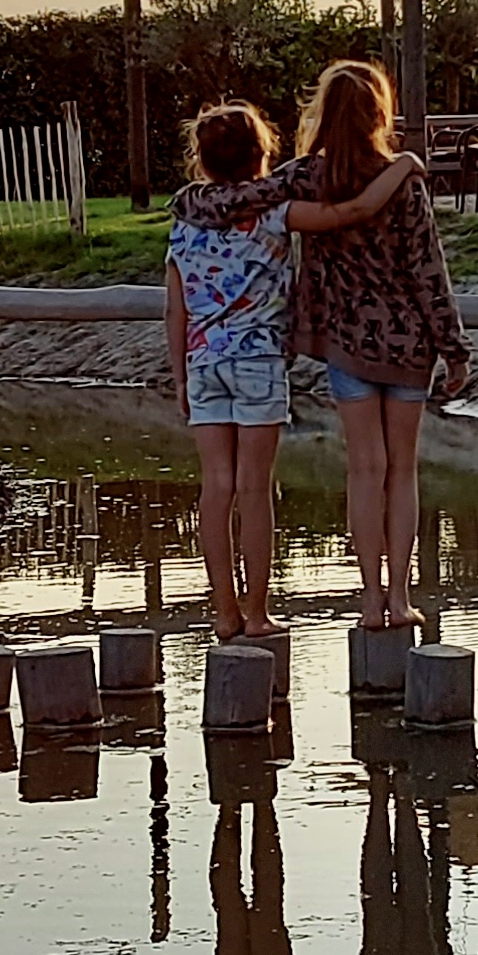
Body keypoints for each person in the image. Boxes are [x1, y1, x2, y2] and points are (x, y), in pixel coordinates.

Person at [168, 103, 419, 639]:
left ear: (202, 161)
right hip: (257, 360)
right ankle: (258, 613)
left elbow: (175, 309)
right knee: (255, 488)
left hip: (203, 361)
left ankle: (224, 612)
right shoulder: (278, 213)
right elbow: (350, 212)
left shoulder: (184, 222)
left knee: (216, 486)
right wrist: (402, 166)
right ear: (263, 154)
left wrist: (180, 376)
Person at [276, 61, 471, 630]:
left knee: (364, 470)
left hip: (346, 344)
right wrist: (453, 347)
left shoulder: (308, 178)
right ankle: (402, 597)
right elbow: (427, 269)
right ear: (379, 116)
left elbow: (246, 194)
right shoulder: (403, 182)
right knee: (401, 471)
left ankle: (368, 598)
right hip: (409, 346)